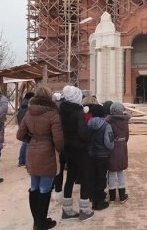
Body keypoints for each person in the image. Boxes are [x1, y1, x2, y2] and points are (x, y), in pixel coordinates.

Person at [17, 85, 64, 230]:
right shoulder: (53, 114)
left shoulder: (29, 112)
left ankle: (37, 220)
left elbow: (20, 135)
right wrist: (59, 150)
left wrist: (32, 140)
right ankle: (42, 222)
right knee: (45, 188)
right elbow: (58, 140)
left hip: (32, 153)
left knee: (34, 187)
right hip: (47, 153)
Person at [59, 85, 94, 221]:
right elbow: (83, 133)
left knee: (70, 178)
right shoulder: (78, 112)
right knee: (85, 178)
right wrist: (89, 135)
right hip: (80, 149)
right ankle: (84, 210)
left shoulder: (62, 111)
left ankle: (67, 210)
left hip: (68, 148)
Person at [88, 104, 114, 210]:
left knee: (92, 177)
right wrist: (109, 149)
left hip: (90, 154)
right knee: (101, 177)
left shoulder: (88, 124)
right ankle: (99, 201)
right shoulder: (106, 125)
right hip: (102, 155)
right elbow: (109, 143)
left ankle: (92, 198)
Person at [106, 102, 131, 204]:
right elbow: (127, 137)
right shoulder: (125, 122)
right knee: (120, 171)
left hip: (112, 148)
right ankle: (122, 195)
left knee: (111, 172)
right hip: (122, 147)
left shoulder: (109, 122)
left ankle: (112, 197)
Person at [51, 92, 66, 204]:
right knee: (59, 169)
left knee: (52, 168)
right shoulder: (62, 112)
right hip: (60, 145)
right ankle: (58, 189)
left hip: (49, 145)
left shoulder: (49, 112)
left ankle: (52, 189)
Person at [17, 92, 35, 167]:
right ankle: (28, 162)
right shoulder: (30, 105)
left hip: (22, 125)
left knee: (24, 143)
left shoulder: (22, 104)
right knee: (28, 143)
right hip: (28, 127)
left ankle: (21, 160)